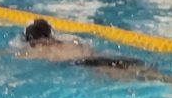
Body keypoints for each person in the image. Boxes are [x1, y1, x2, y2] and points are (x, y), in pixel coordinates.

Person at [15, 17, 148, 75]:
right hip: (103, 57)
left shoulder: (37, 50)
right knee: (143, 71)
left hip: (85, 64)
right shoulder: (68, 41)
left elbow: (14, 56)